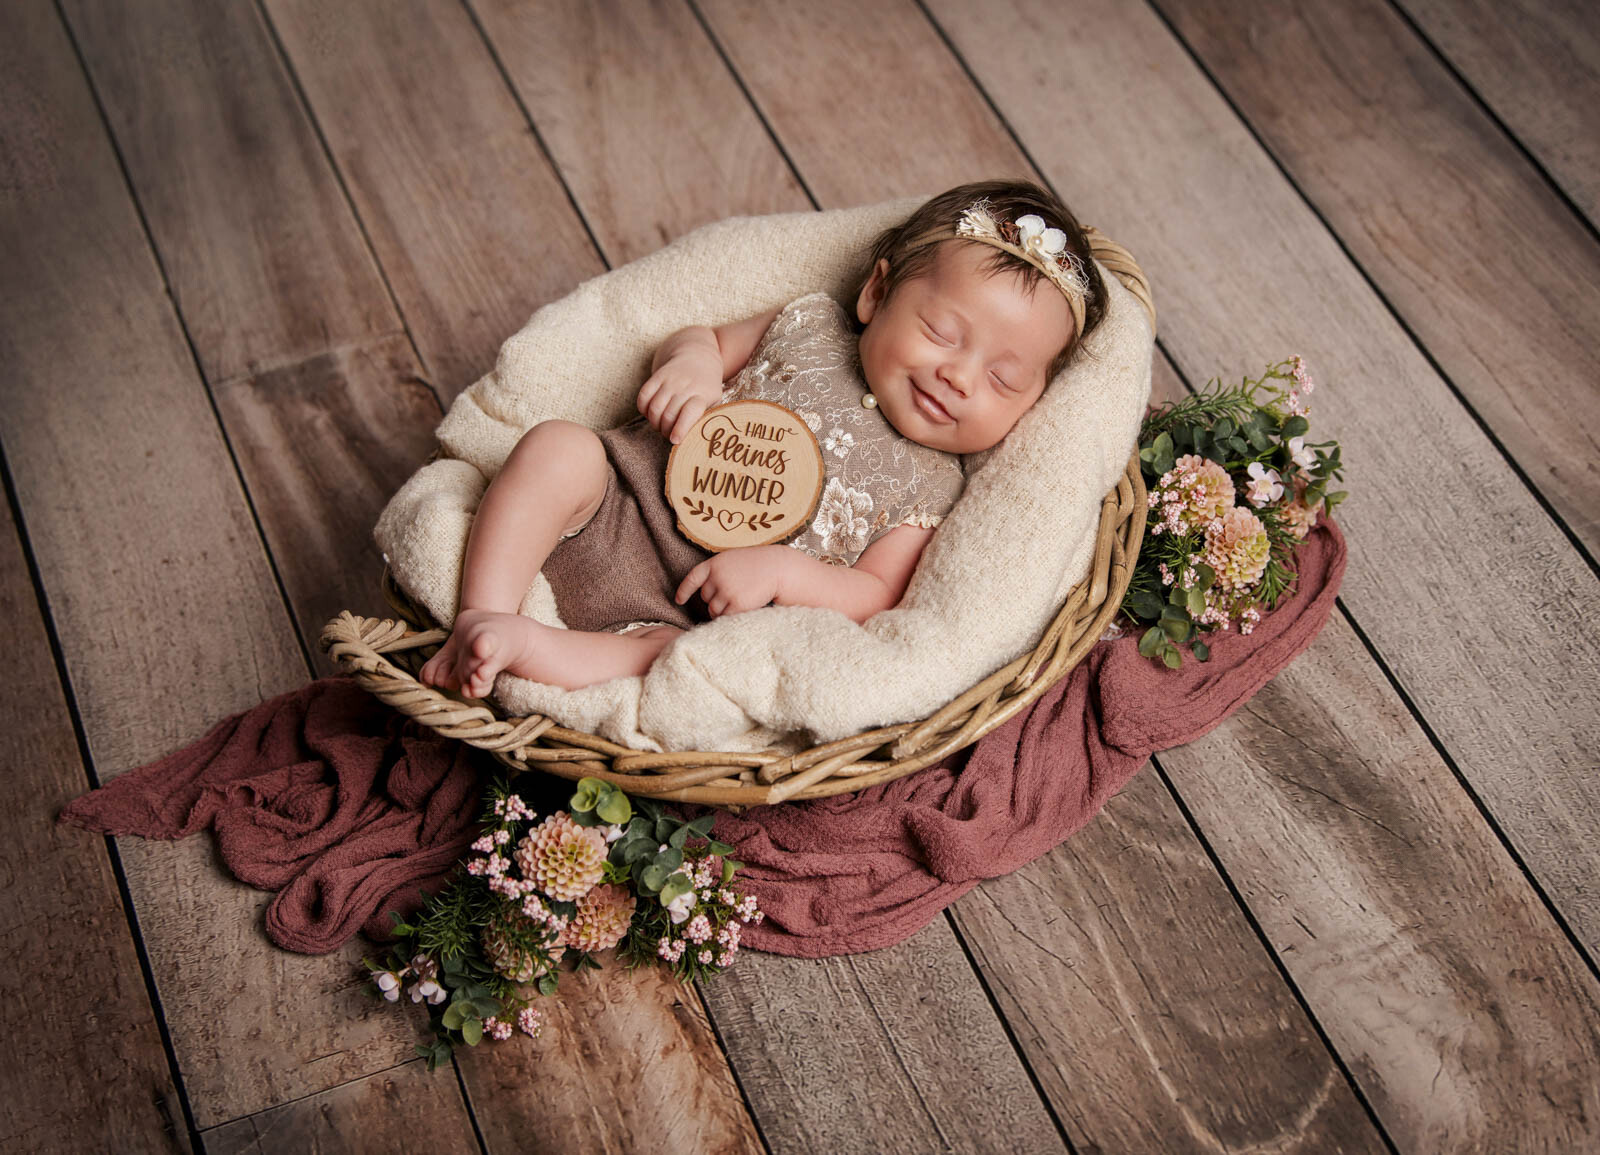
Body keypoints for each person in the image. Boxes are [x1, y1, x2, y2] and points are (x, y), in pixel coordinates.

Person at [419, 179, 1107, 697]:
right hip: (614, 499)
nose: (958, 375)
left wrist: (781, 572)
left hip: (681, 610)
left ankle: (520, 647)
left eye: (1003, 378)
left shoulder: (932, 485)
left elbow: (873, 593)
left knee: (673, 666)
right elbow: (702, 339)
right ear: (876, 294)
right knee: (557, 447)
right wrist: (688, 364)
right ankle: (478, 611)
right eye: (940, 333)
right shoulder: (808, 325)